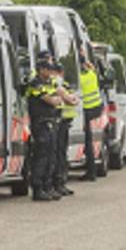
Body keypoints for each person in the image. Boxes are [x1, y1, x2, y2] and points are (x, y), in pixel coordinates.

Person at [25, 59, 65, 201]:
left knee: (51, 156)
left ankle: (47, 187)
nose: (50, 72)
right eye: (48, 69)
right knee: (41, 156)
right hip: (40, 123)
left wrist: (59, 98)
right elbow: (52, 100)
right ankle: (37, 188)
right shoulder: (35, 83)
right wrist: (56, 99)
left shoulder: (49, 83)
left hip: (50, 122)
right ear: (41, 69)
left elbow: (60, 96)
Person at [51, 63, 80, 196]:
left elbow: (73, 98)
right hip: (59, 122)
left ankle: (61, 182)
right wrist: (71, 99)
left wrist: (72, 99)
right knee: (59, 154)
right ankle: (58, 183)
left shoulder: (62, 83)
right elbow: (69, 99)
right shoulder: (56, 82)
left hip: (64, 122)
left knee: (62, 154)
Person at [78, 51, 105, 182]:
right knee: (89, 142)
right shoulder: (91, 74)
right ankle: (91, 171)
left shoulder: (80, 79)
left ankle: (91, 171)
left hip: (86, 112)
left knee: (87, 143)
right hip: (96, 109)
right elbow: (92, 68)